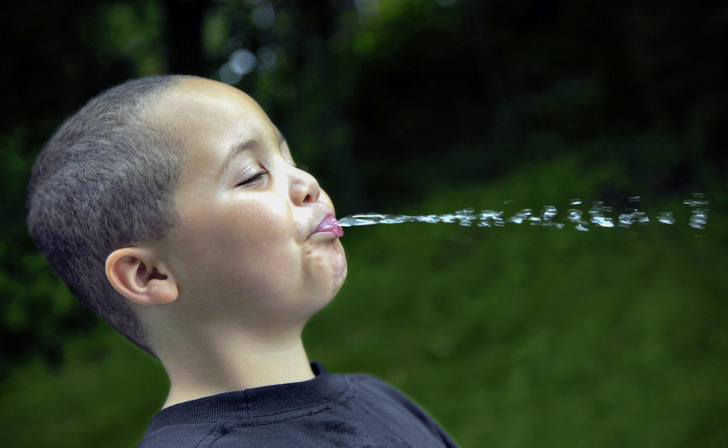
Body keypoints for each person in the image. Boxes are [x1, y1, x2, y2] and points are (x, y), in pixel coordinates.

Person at [26, 75, 457, 447]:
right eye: (253, 175)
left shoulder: (380, 400)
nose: (307, 183)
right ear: (149, 274)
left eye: (290, 159)